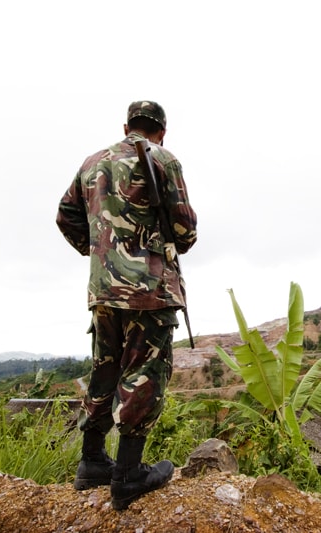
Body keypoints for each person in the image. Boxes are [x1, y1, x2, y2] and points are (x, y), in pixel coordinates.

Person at [56, 100, 197, 510]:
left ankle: (93, 461)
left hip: (103, 290)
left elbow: (66, 215)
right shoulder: (163, 158)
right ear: (162, 131)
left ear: (126, 126)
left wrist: (99, 253)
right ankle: (129, 474)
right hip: (148, 290)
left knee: (105, 369)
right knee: (144, 372)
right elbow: (185, 232)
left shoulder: (92, 162)